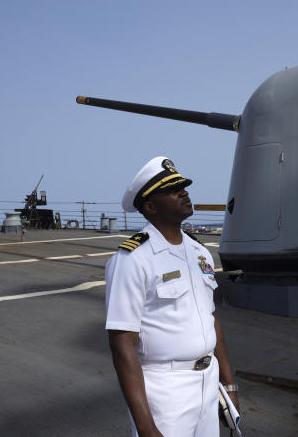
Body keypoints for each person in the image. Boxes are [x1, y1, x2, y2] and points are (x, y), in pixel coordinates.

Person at [105, 156, 239, 437]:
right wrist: (145, 426)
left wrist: (228, 385)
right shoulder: (133, 259)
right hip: (165, 390)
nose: (184, 192)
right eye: (172, 189)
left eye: (183, 186)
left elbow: (211, 318)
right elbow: (121, 344)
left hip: (207, 379)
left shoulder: (198, 252)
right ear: (150, 207)